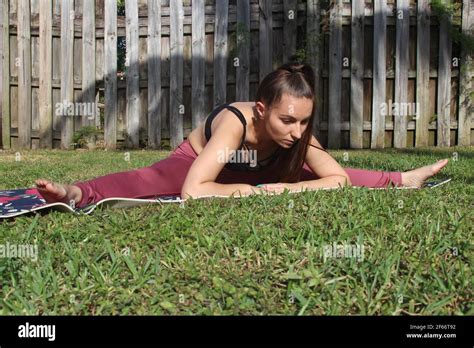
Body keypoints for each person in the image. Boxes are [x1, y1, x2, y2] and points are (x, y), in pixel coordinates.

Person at [35, 62, 448, 208]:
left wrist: (275, 188)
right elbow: (195, 191)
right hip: (200, 165)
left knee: (313, 171)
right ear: (262, 109)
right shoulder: (236, 122)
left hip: (256, 174)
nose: (298, 130)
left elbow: (338, 178)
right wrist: (261, 192)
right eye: (288, 121)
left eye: (305, 121)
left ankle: (403, 179)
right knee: (152, 179)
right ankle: (75, 193)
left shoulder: (295, 131)